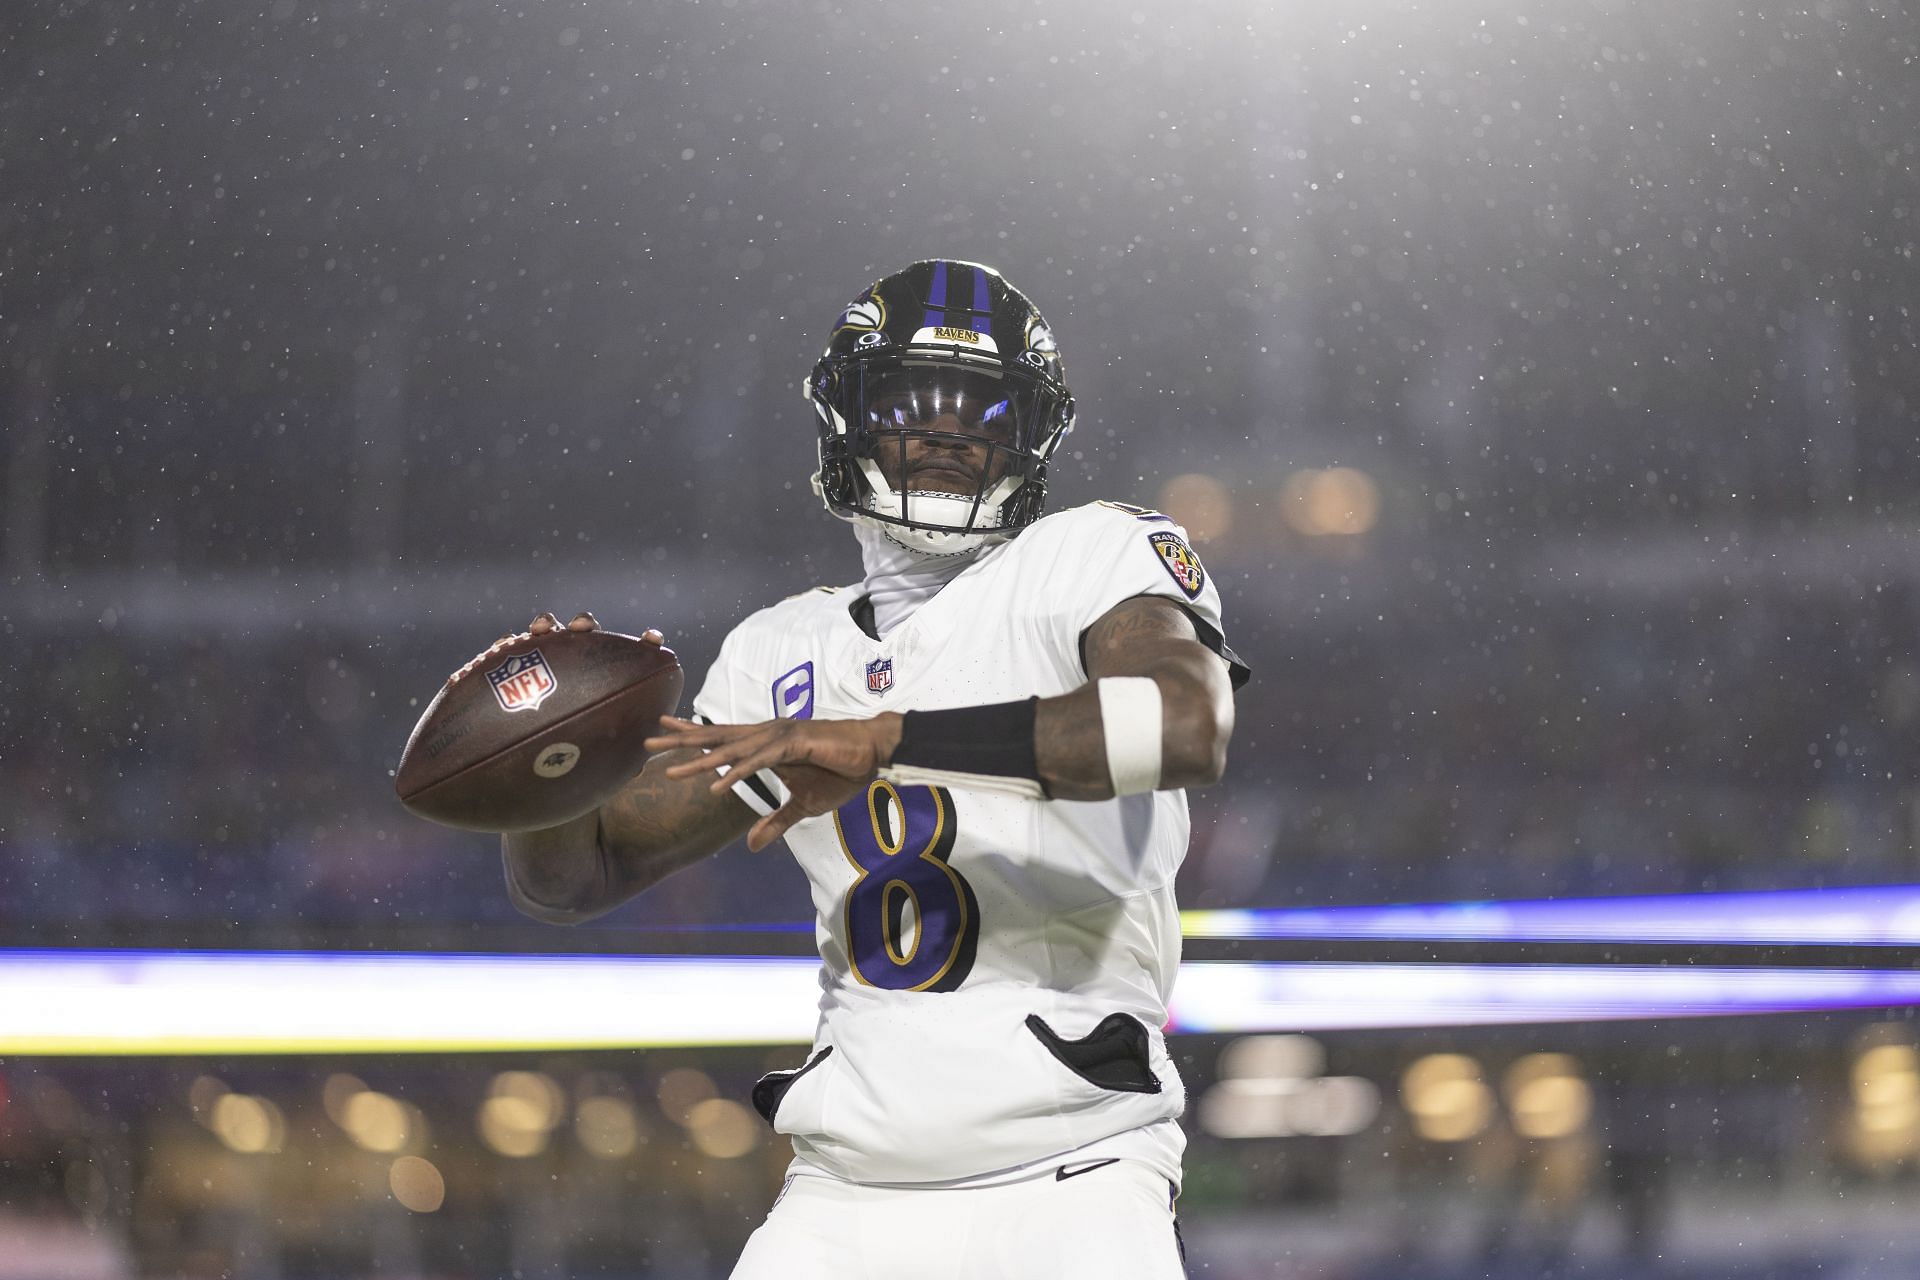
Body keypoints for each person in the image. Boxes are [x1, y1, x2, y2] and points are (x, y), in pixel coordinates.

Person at [497, 260, 1248, 1278]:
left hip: (1072, 1175)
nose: (945, 433)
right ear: (846, 416)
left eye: (983, 409)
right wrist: (545, 763)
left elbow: (1182, 724)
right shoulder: (782, 651)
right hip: (844, 1193)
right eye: (908, 403)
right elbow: (574, 876)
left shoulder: (1095, 553)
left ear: (1030, 434)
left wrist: (891, 738)